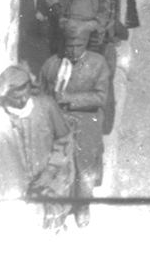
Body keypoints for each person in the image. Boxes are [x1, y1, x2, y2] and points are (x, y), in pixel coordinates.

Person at [40, 20, 111, 227]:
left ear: (86, 44)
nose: (72, 50)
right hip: (59, 122)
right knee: (57, 165)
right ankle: (58, 208)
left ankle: (82, 206)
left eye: (78, 45)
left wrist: (70, 99)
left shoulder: (98, 64)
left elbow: (101, 98)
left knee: (84, 167)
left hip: (87, 120)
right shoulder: (52, 64)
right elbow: (42, 92)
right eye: (69, 45)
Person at [0, 64, 74, 230]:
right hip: (21, 187)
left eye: (26, 94)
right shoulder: (0, 119)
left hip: (51, 177)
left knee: (54, 216)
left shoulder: (46, 106)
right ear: (6, 97)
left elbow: (64, 139)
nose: (23, 100)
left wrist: (51, 171)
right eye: (16, 98)